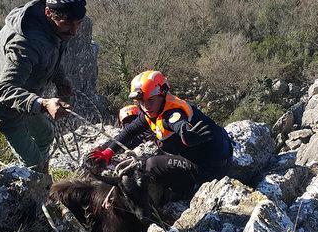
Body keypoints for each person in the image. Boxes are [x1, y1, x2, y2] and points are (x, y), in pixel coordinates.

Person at [0, 0, 87, 172]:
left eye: (78, 23)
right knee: (33, 161)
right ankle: (32, 181)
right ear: (48, 13)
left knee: (45, 135)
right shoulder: (26, 44)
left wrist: (60, 79)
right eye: (68, 24)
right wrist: (43, 104)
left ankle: (39, 174)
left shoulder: (56, 27)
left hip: (26, 93)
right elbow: (5, 90)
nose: (74, 31)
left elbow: (50, 51)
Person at [90, 70, 233, 200]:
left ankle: (183, 193)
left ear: (163, 94)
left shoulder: (172, 114)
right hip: (218, 155)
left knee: (151, 165)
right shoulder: (152, 111)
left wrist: (186, 136)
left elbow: (179, 124)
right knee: (159, 152)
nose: (146, 106)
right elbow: (130, 131)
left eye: (150, 100)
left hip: (209, 167)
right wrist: (108, 151)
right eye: (141, 101)